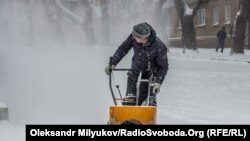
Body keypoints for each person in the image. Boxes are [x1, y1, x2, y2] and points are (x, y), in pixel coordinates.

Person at [105, 22, 169, 106]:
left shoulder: (159, 46)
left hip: (151, 70)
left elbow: (163, 66)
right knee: (130, 95)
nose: (133, 37)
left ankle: (145, 105)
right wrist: (113, 63)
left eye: (135, 36)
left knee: (145, 94)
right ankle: (129, 103)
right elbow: (123, 48)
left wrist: (158, 82)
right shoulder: (133, 37)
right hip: (137, 65)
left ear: (143, 38)